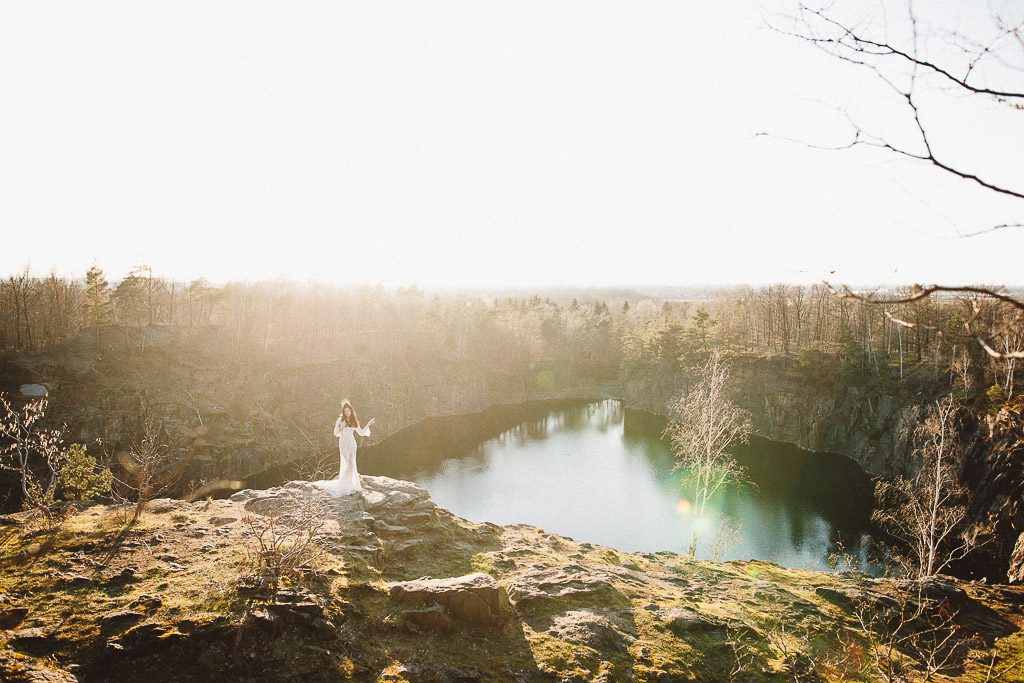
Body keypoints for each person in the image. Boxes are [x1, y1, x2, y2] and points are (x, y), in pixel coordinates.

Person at [313, 400, 376, 495]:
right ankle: (344, 483)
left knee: (352, 463)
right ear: (343, 412)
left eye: (349, 411)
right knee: (347, 463)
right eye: (346, 411)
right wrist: (341, 428)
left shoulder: (354, 421)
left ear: (351, 411)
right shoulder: (340, 420)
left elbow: (362, 433)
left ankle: (350, 483)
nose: (347, 412)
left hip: (352, 444)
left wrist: (368, 424)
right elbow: (335, 433)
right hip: (343, 444)